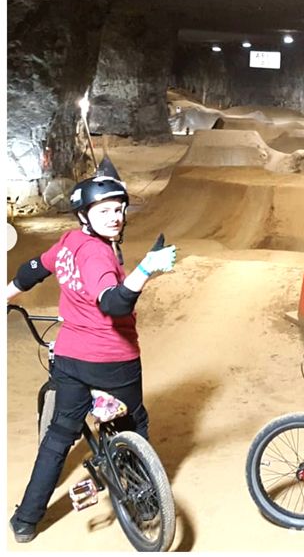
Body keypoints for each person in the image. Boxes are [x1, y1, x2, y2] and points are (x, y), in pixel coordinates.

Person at [6, 166, 177, 543]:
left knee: (58, 436)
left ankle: (25, 519)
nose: (115, 217)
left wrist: (6, 295)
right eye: (104, 211)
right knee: (133, 421)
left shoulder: (68, 242)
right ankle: (147, 502)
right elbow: (114, 303)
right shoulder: (98, 256)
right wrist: (147, 267)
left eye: (118, 209)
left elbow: (33, 269)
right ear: (85, 216)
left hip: (70, 358)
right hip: (113, 358)